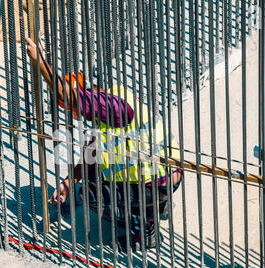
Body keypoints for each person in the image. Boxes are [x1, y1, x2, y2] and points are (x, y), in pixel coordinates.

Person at [26, 38, 182, 251]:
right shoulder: (107, 115)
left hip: (156, 180)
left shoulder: (113, 108)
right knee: (89, 175)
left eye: (71, 108)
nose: (74, 114)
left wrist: (40, 63)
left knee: (89, 195)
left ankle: (146, 231)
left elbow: (68, 96)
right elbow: (90, 155)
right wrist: (67, 183)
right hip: (167, 174)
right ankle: (156, 207)